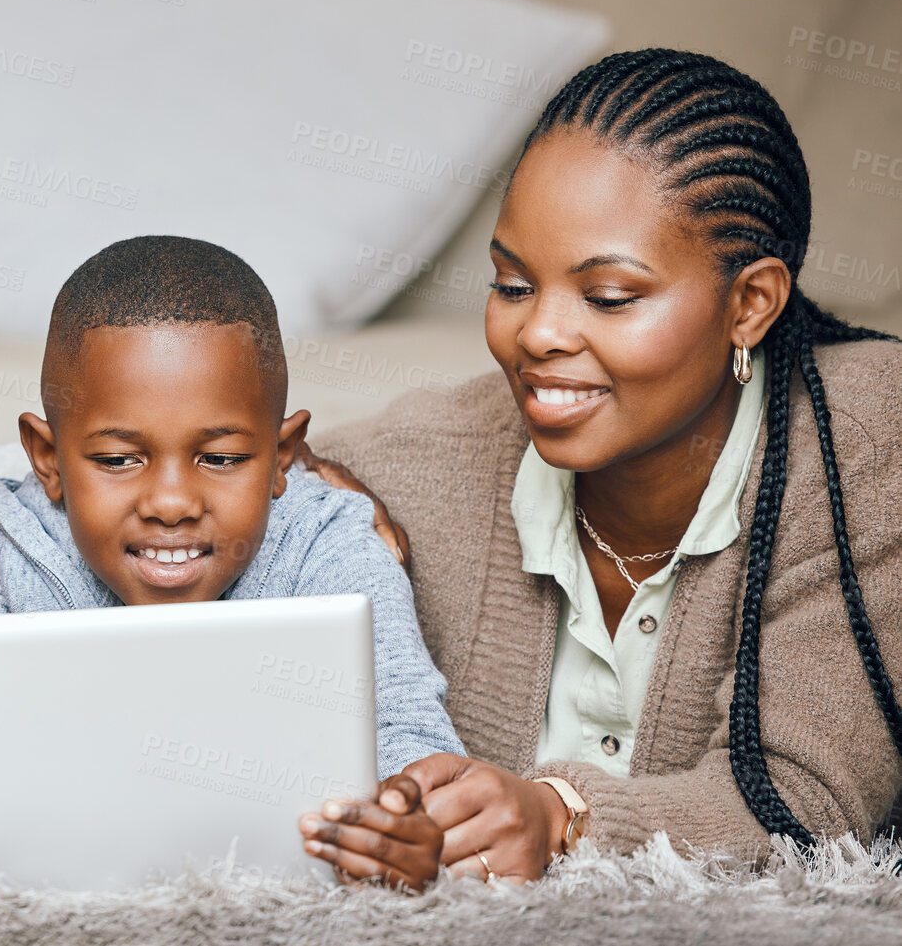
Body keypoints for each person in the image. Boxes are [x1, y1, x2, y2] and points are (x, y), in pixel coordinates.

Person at [312, 49, 902, 882]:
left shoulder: (867, 450)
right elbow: (203, 460)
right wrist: (286, 472)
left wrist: (559, 817)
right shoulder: (442, 450)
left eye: (609, 297)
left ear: (750, 303)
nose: (539, 334)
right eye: (512, 285)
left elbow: (808, 808)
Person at [0, 236, 462, 890]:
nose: (171, 503)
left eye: (222, 458)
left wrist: (411, 814)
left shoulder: (331, 542)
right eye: (118, 460)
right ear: (47, 458)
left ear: (284, 456)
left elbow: (412, 736)